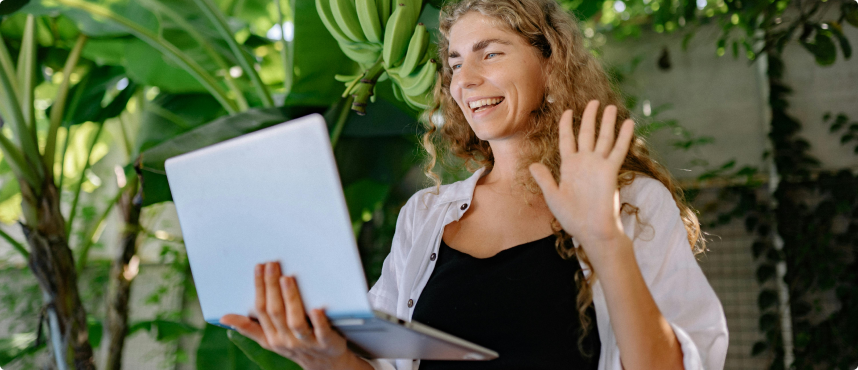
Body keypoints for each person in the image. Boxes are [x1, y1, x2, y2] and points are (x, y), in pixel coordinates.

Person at [219, 0, 729, 369]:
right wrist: (326, 359)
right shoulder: (425, 217)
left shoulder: (632, 203)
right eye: (456, 62)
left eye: (490, 53)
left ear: (549, 63)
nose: (464, 80)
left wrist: (605, 240)